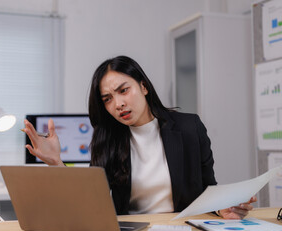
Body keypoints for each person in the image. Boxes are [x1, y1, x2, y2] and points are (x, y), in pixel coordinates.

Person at [23, 55, 256, 219]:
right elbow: (91, 204)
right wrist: (56, 162)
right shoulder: (107, 139)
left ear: (143, 87)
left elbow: (208, 189)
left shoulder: (189, 127)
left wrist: (222, 209)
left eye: (123, 90)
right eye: (107, 99)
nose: (118, 104)